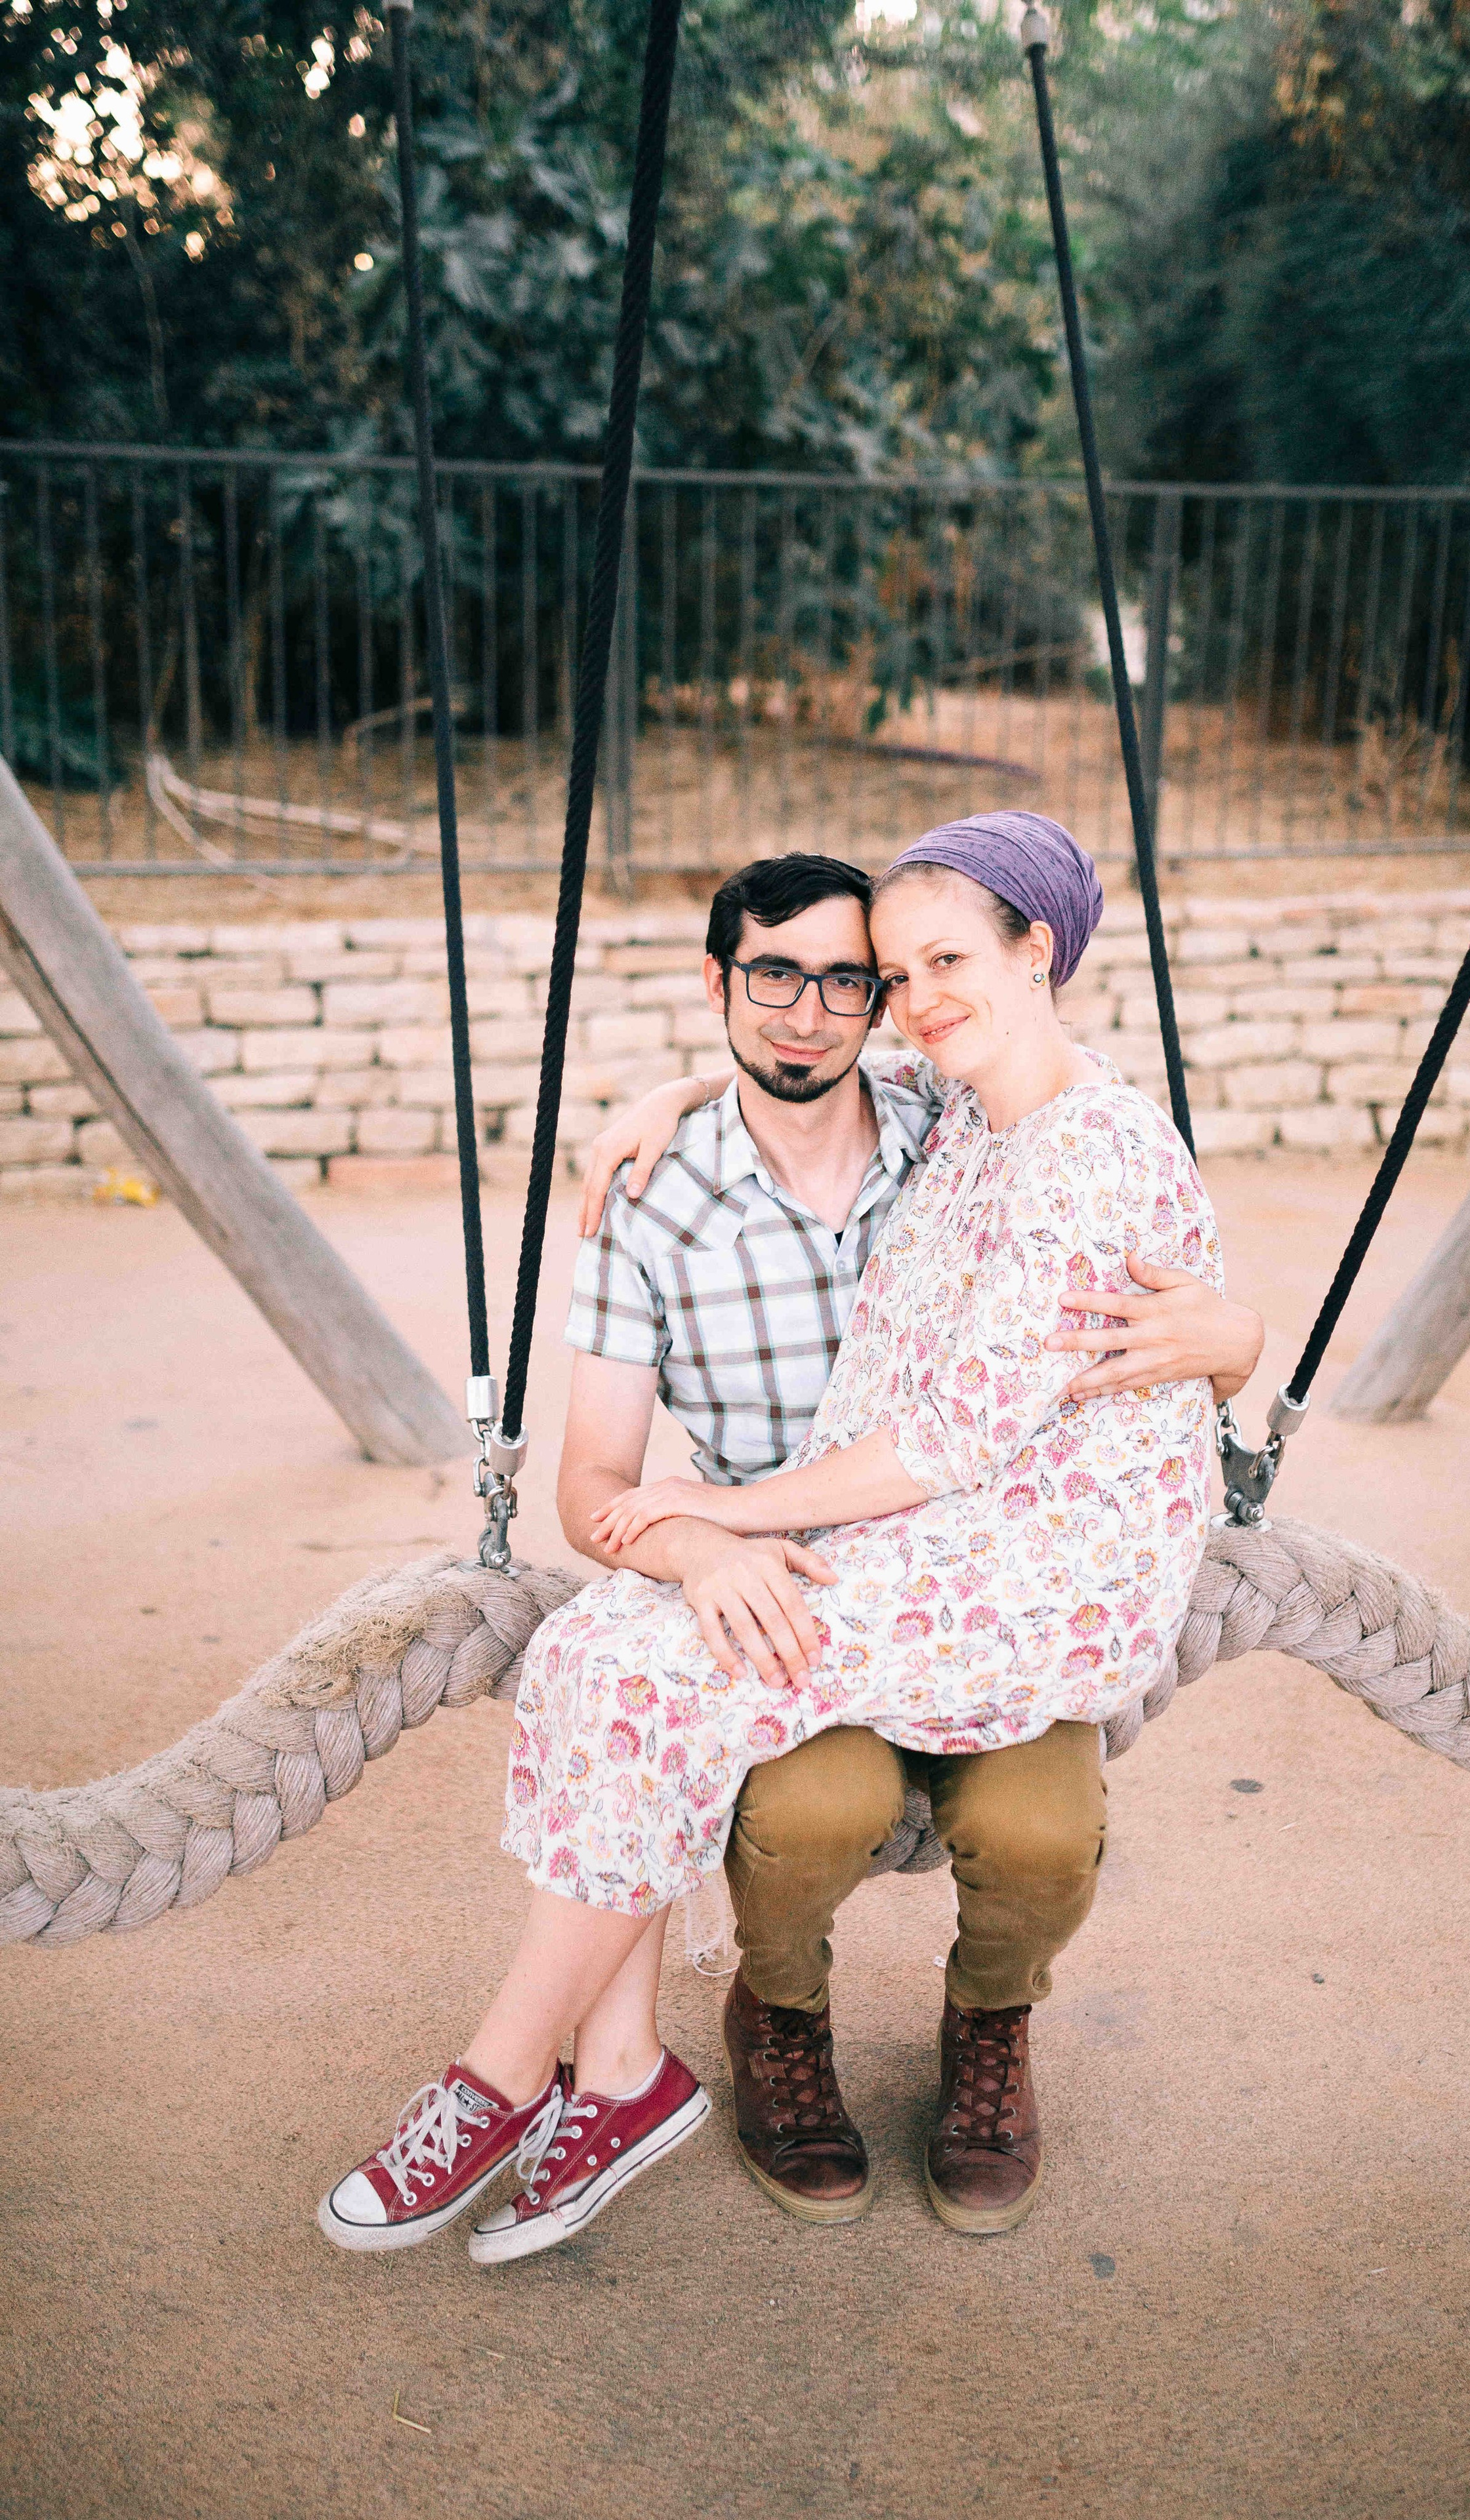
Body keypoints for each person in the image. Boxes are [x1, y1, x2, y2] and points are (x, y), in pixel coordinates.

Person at [319, 820, 1261, 2266]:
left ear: (1038, 950)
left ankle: (504, 2075)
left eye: (937, 962)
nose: (907, 996)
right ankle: (619, 2073)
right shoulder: (959, 1108)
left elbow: (952, 1435)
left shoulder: (1078, 1147)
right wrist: (677, 1088)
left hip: (1033, 1577)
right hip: (949, 1542)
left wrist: (715, 1515)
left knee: (635, 1675)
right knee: (595, 1647)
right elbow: (801, 1064)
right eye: (898, 972)